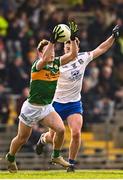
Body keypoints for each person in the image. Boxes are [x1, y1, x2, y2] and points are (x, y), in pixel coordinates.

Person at [36, 25, 120, 172]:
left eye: (71, 42)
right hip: (56, 104)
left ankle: (71, 164)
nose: (68, 45)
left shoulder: (83, 58)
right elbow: (42, 61)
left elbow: (101, 48)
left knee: (76, 133)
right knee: (51, 137)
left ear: (77, 46)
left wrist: (113, 37)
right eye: (66, 43)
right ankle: (43, 139)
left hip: (74, 103)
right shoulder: (57, 62)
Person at [5, 23, 78, 173]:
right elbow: (45, 60)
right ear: (40, 53)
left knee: (61, 130)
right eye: (47, 51)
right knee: (22, 139)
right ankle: (11, 157)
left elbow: (73, 56)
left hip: (46, 107)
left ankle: (56, 156)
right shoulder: (37, 65)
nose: (52, 54)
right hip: (31, 108)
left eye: (52, 51)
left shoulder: (56, 62)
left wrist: (72, 39)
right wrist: (52, 41)